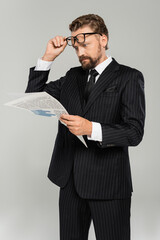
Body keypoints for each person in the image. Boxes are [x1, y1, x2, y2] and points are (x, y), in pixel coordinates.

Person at [25, 14, 145, 240]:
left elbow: (134, 132)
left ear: (103, 39)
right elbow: (33, 101)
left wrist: (91, 128)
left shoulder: (130, 77)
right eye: (76, 47)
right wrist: (47, 58)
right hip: (69, 182)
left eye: (85, 45)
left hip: (109, 185)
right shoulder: (72, 76)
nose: (80, 53)